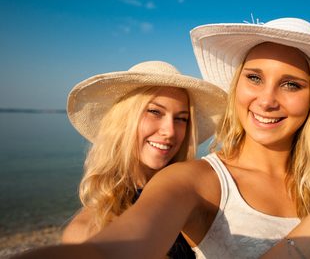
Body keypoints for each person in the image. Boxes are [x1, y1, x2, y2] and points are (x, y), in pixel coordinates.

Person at [13, 19, 310, 259]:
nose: (266, 99)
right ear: (237, 89)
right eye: (254, 77)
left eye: (291, 84)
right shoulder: (191, 182)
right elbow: (115, 249)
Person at [61, 60, 227, 258]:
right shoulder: (88, 230)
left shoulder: (199, 196)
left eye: (181, 118)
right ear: (123, 120)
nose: (170, 131)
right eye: (155, 112)